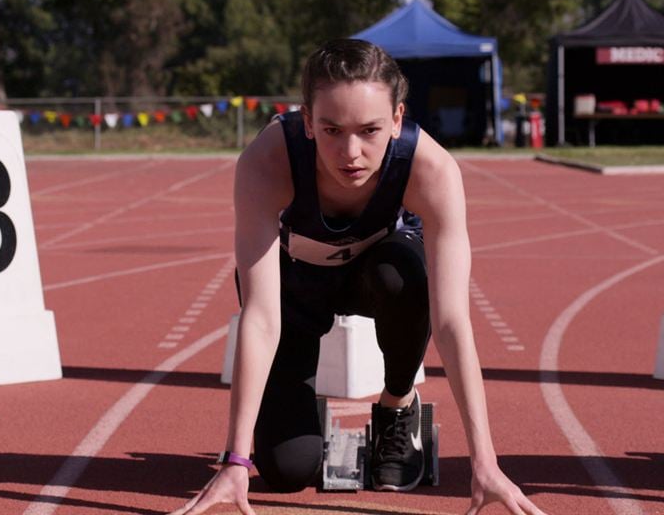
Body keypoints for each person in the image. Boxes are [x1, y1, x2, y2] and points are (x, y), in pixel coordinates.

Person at [172, 39, 544, 515]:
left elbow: (451, 322)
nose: (351, 152)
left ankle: (396, 404)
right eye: (331, 130)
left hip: (380, 275)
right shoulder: (267, 162)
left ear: (397, 119)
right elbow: (261, 317)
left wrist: (485, 463)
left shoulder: (431, 169)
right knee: (288, 472)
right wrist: (234, 462)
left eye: (369, 130)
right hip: (295, 288)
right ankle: (302, 417)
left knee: (405, 275)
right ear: (306, 120)